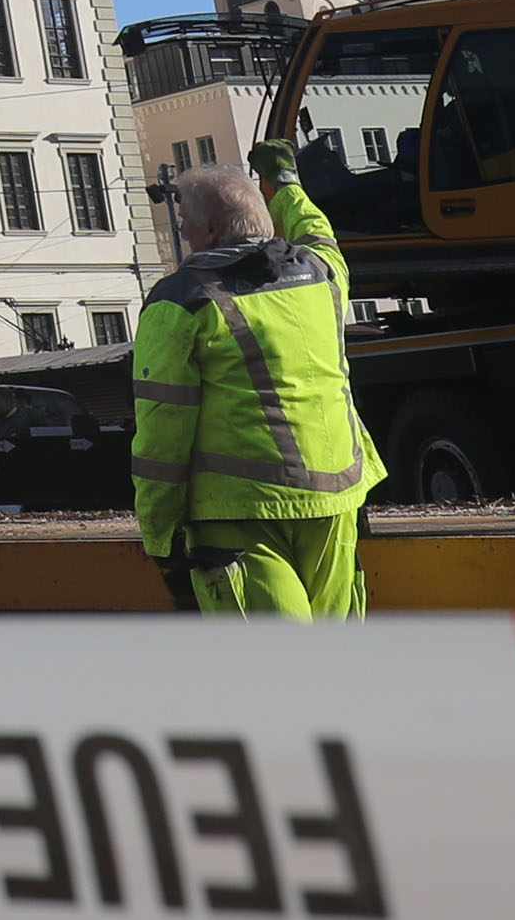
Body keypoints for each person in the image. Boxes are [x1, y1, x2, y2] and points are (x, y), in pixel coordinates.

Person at [133, 152, 382, 616]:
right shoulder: (323, 275)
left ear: (208, 232)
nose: (182, 232)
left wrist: (160, 534)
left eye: (186, 222)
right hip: (334, 495)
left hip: (239, 510)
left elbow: (162, 431)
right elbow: (317, 231)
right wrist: (285, 182)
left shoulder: (180, 303)